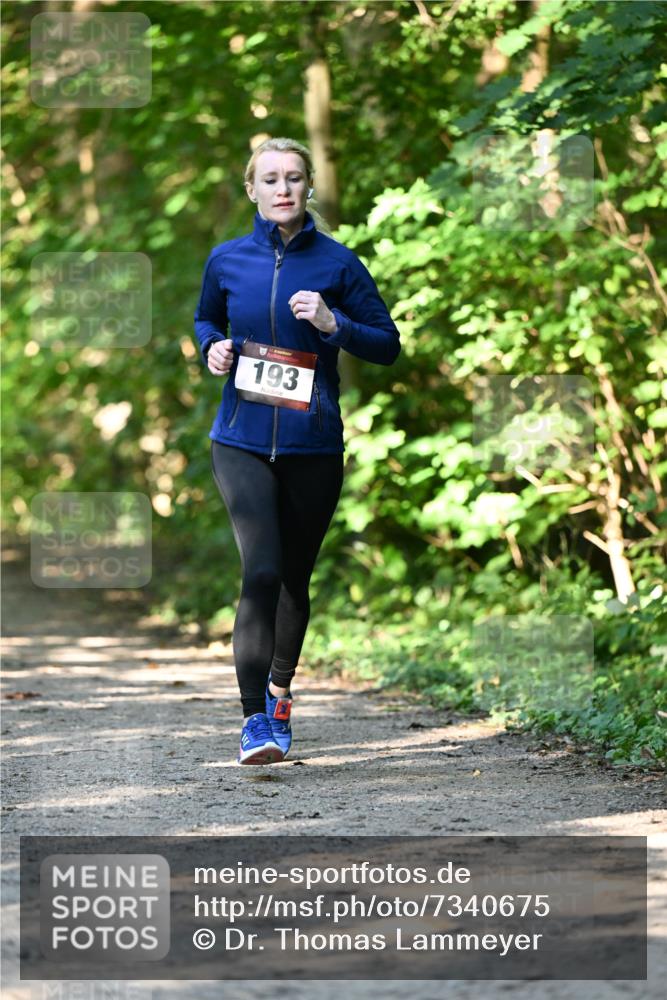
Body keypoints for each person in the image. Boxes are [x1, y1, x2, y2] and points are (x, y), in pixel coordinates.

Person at [193, 136, 401, 765]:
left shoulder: (338, 265)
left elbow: (387, 344)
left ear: (309, 188)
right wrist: (213, 349)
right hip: (241, 440)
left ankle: (281, 692)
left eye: (294, 178)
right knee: (259, 570)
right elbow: (206, 320)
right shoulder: (227, 260)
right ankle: (255, 720)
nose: (283, 188)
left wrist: (336, 325)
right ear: (251, 190)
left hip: (312, 445)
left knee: (292, 580)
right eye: (271, 179)